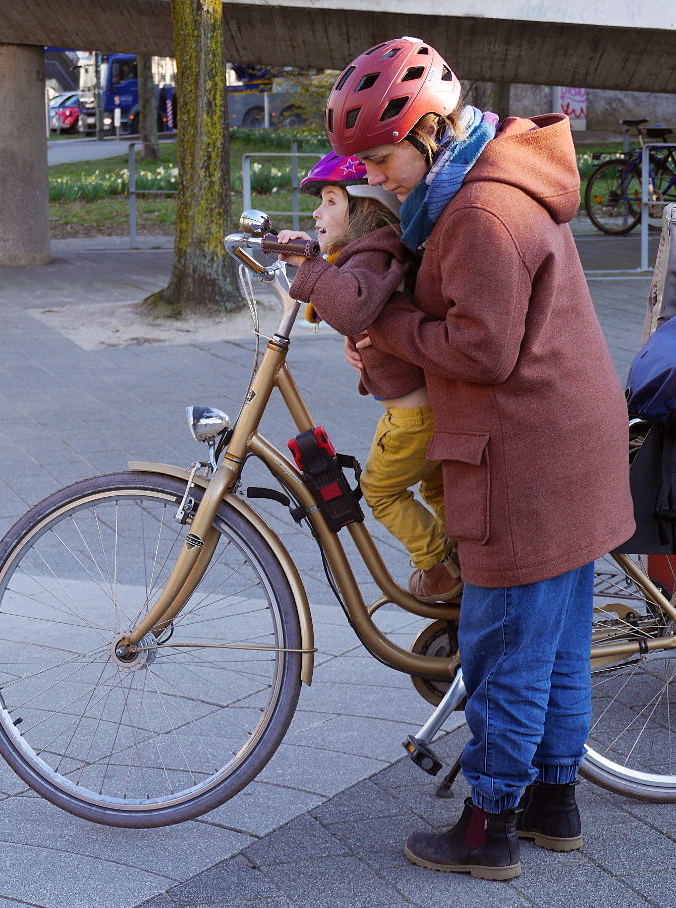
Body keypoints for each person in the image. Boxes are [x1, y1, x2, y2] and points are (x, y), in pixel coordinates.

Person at [326, 36, 635, 880]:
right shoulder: (494, 181)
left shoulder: (480, 215)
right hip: (568, 445)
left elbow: (482, 349)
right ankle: (553, 802)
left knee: (502, 648)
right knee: (559, 645)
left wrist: (380, 324)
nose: (376, 181)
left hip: (525, 462)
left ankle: (487, 826)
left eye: (383, 159)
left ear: (428, 133)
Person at [277, 152, 462, 601]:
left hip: (411, 417)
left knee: (380, 490)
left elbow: (353, 301)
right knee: (437, 485)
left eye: (331, 200)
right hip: (426, 407)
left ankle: (437, 566)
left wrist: (306, 265)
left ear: (364, 205)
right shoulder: (371, 252)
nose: (318, 213)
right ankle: (463, 557)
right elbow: (356, 307)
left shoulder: (374, 251)